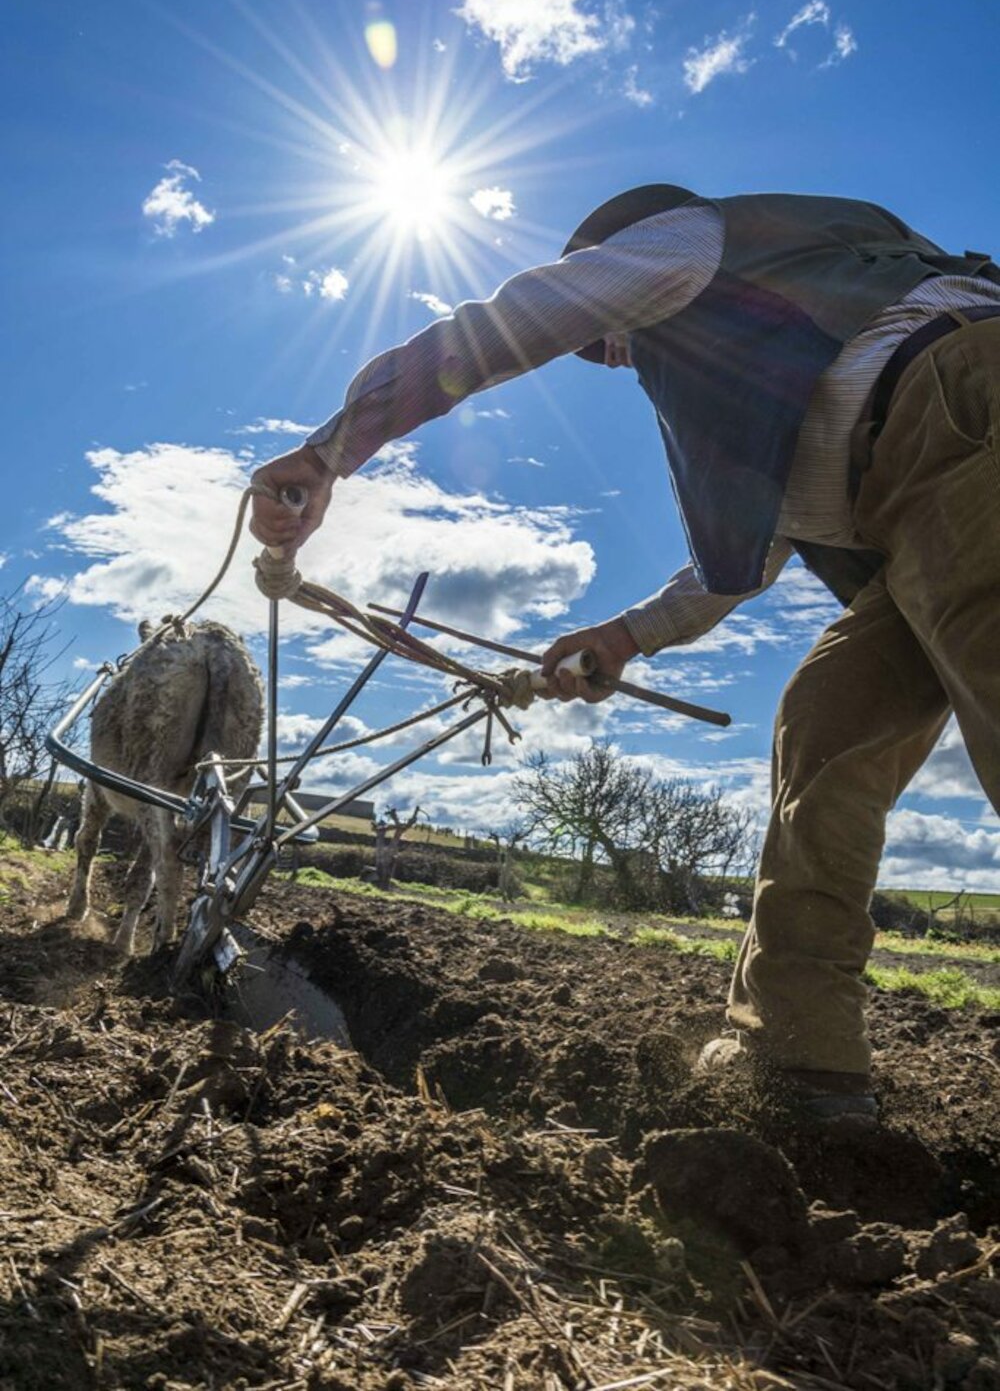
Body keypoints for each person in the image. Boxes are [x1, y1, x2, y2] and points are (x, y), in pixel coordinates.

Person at [251, 184, 1000, 1121]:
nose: (607, 355)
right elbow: (739, 566)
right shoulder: (778, 348)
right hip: (912, 500)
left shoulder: (686, 240)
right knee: (828, 727)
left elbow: (519, 317)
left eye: (602, 332)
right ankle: (805, 1065)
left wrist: (333, 449)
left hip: (965, 427)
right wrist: (624, 636)